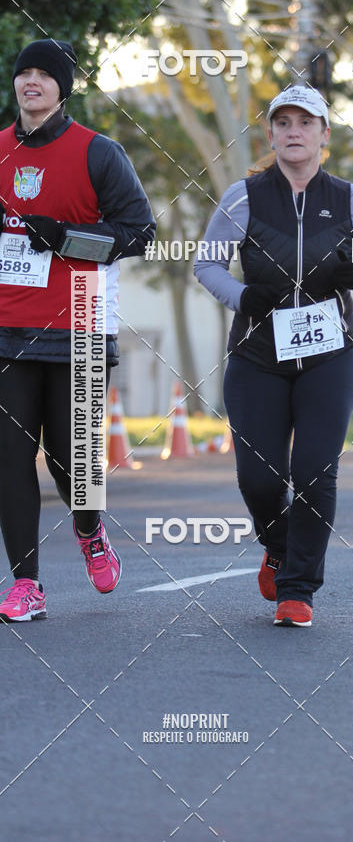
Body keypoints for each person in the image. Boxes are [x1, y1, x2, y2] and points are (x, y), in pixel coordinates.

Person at [194, 85, 353, 627]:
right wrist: (243, 296)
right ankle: (279, 548)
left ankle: (298, 589)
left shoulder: (352, 199)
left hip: (330, 354)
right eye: (282, 122)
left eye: (305, 123)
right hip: (257, 354)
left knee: (314, 473)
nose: (294, 131)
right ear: (270, 134)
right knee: (259, 480)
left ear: (324, 134)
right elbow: (207, 265)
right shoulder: (244, 196)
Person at [0, 39, 155, 621]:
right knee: (10, 460)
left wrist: (64, 237)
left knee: (74, 463)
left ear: (63, 88)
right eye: (24, 73)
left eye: (44, 74)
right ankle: (26, 584)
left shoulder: (99, 153)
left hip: (81, 327)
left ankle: (89, 529)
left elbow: (140, 233)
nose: (31, 82)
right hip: (6, 327)